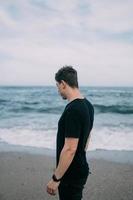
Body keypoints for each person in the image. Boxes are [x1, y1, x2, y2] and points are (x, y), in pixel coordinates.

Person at [46, 66, 94, 200]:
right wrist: (80, 157)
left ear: (63, 84)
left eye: (57, 86)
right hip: (80, 167)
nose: (58, 90)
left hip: (70, 172)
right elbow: (87, 137)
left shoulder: (73, 109)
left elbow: (70, 149)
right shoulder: (88, 105)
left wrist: (56, 178)